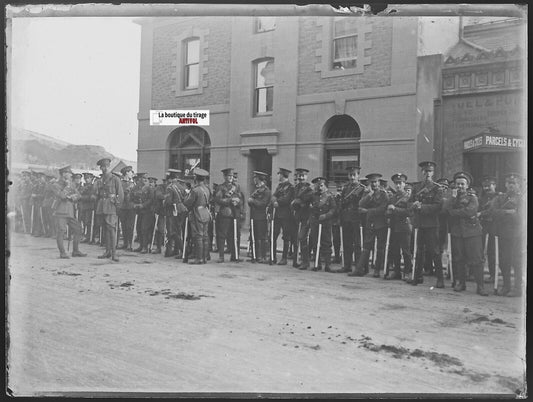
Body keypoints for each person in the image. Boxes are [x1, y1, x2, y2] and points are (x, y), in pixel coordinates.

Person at [442, 172, 488, 296]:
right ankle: (460, 283)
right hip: (457, 232)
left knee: (476, 260)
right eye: (457, 184)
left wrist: (453, 212)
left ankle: (480, 286)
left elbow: (470, 211)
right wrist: (452, 198)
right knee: (458, 259)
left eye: (462, 184)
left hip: (472, 232)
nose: (460, 186)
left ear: (467, 185)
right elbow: (445, 209)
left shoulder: (472, 197)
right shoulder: (452, 198)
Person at [407, 161, 445, 287]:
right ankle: (417, 276)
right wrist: (413, 205)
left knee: (434, 252)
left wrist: (421, 207)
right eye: (425, 171)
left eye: (430, 171)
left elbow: (438, 206)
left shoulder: (437, 188)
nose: (427, 174)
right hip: (419, 224)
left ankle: (440, 279)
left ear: (433, 173)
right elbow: (409, 202)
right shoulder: (416, 187)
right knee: (418, 251)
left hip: (431, 224)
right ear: (422, 172)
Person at [489, 173, 525, 297]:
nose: (511, 185)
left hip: (517, 234)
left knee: (516, 261)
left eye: (513, 183)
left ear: (518, 184)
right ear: (505, 184)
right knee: (504, 261)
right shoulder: (500, 198)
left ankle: (517, 288)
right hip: (502, 233)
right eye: (509, 183)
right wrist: (508, 212)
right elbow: (493, 212)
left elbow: (521, 217)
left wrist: (506, 214)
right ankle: (506, 286)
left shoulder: (522, 199)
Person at [351, 173, 389, 277]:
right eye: (372, 182)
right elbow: (360, 204)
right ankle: (359, 269)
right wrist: (369, 195)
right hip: (370, 223)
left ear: (379, 183)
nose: (374, 184)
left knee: (380, 248)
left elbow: (382, 209)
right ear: (369, 183)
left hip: (381, 224)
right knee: (366, 247)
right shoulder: (367, 193)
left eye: (376, 182)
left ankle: (376, 270)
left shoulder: (383, 194)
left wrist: (367, 211)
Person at [50, 166, 87, 259]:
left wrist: (71, 197)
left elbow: (78, 195)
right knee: (61, 231)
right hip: (60, 211)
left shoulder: (71, 184)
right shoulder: (55, 185)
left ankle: (75, 250)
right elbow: (62, 196)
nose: (71, 175)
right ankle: (62, 252)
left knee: (78, 229)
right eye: (69, 173)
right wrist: (67, 188)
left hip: (70, 211)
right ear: (63, 174)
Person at [336, 166, 365, 274]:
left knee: (357, 244)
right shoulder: (346, 188)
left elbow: (363, 203)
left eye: (354, 175)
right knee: (347, 243)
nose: (352, 177)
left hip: (356, 219)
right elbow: (342, 204)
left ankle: (358, 268)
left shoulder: (362, 188)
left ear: (358, 176)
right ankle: (347, 265)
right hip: (346, 218)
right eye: (350, 175)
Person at [94, 158, 124, 261]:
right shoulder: (100, 180)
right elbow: (97, 194)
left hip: (111, 207)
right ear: (100, 168)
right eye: (102, 167)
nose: (104, 168)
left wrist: (118, 207)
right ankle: (107, 251)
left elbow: (120, 194)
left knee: (111, 229)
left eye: (106, 166)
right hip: (102, 206)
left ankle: (114, 253)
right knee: (105, 229)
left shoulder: (115, 179)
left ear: (109, 167)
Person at [385, 173, 412, 280]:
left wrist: (395, 209)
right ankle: (396, 272)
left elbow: (409, 212)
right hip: (394, 226)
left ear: (404, 184)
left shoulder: (408, 197)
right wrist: (388, 212)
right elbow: (387, 211)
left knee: (406, 251)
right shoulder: (393, 197)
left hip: (404, 226)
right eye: (396, 183)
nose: (398, 185)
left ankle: (407, 272)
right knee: (395, 250)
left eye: (400, 183)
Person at [183, 168, 212, 264]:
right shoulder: (207, 189)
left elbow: (188, 202)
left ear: (196, 178)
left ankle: (199, 258)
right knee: (205, 235)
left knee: (198, 236)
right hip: (205, 212)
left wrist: (186, 196)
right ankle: (204, 257)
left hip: (197, 213)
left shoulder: (195, 190)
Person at [308, 177, 337, 272]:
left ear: (325, 186)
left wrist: (326, 215)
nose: (320, 188)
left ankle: (328, 265)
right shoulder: (313, 196)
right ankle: (317, 263)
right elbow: (311, 208)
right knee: (315, 243)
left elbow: (333, 209)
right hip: (315, 222)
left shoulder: (329, 196)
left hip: (326, 223)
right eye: (318, 186)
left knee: (327, 243)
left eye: (321, 185)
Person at [214, 168, 243, 263]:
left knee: (235, 235)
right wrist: (229, 201)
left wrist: (237, 201)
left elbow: (240, 198)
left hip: (235, 214)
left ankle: (235, 256)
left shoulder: (237, 187)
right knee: (222, 235)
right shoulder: (220, 187)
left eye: (231, 176)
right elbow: (218, 200)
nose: (230, 178)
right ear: (224, 177)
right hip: (225, 214)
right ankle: (221, 256)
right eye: (228, 176)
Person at [269, 168, 295, 265]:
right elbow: (273, 197)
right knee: (273, 235)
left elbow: (286, 200)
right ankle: (273, 257)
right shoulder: (279, 186)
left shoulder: (291, 187)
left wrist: (277, 201)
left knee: (286, 237)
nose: (277, 176)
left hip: (286, 215)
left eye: (279, 174)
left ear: (282, 175)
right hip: (277, 215)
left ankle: (284, 258)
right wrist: (275, 201)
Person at [477, 176, 499, 283]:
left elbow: (493, 210)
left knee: (492, 251)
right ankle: (479, 274)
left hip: (494, 227)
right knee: (480, 250)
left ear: (494, 185)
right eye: (484, 186)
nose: (486, 188)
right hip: (483, 226)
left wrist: (481, 213)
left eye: (489, 185)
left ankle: (493, 275)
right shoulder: (481, 198)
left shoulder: (499, 197)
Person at [292, 168, 315, 270]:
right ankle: (297, 260)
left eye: (303, 176)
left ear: (306, 176)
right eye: (299, 176)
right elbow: (294, 200)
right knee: (297, 238)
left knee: (302, 238)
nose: (301, 178)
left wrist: (298, 201)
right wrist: (296, 202)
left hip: (307, 216)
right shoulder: (296, 187)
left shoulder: (310, 188)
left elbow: (307, 198)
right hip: (297, 216)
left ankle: (306, 262)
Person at [248, 171, 272, 264]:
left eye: (255, 178)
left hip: (262, 217)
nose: (254, 180)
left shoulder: (266, 191)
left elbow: (263, 204)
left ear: (259, 179)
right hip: (254, 215)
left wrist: (252, 201)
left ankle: (262, 256)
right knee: (254, 236)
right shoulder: (257, 190)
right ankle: (255, 256)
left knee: (262, 237)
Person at [117, 166, 135, 250]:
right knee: (124, 226)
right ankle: (125, 243)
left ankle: (130, 244)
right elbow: (119, 193)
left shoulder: (133, 183)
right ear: (127, 173)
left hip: (131, 207)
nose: (132, 173)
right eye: (131, 172)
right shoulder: (121, 183)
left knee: (130, 226)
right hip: (123, 207)